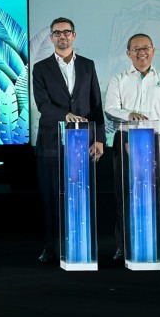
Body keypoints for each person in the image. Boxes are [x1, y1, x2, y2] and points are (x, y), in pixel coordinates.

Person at [32, 18, 105, 264]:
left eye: (67, 32)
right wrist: (65, 116)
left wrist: (100, 139)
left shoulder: (87, 65)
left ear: (74, 35)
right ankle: (50, 246)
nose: (62, 36)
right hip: (51, 141)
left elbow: (96, 105)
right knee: (51, 195)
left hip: (82, 141)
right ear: (51, 38)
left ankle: (77, 242)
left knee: (78, 194)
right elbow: (43, 105)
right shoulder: (40, 68)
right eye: (57, 33)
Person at [104, 33, 160, 261]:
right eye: (136, 49)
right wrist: (130, 114)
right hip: (126, 139)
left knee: (154, 196)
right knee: (124, 195)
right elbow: (110, 108)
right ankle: (123, 246)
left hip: (156, 141)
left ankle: (154, 246)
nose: (142, 52)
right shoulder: (119, 79)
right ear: (128, 54)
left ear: (153, 51)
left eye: (145, 48)